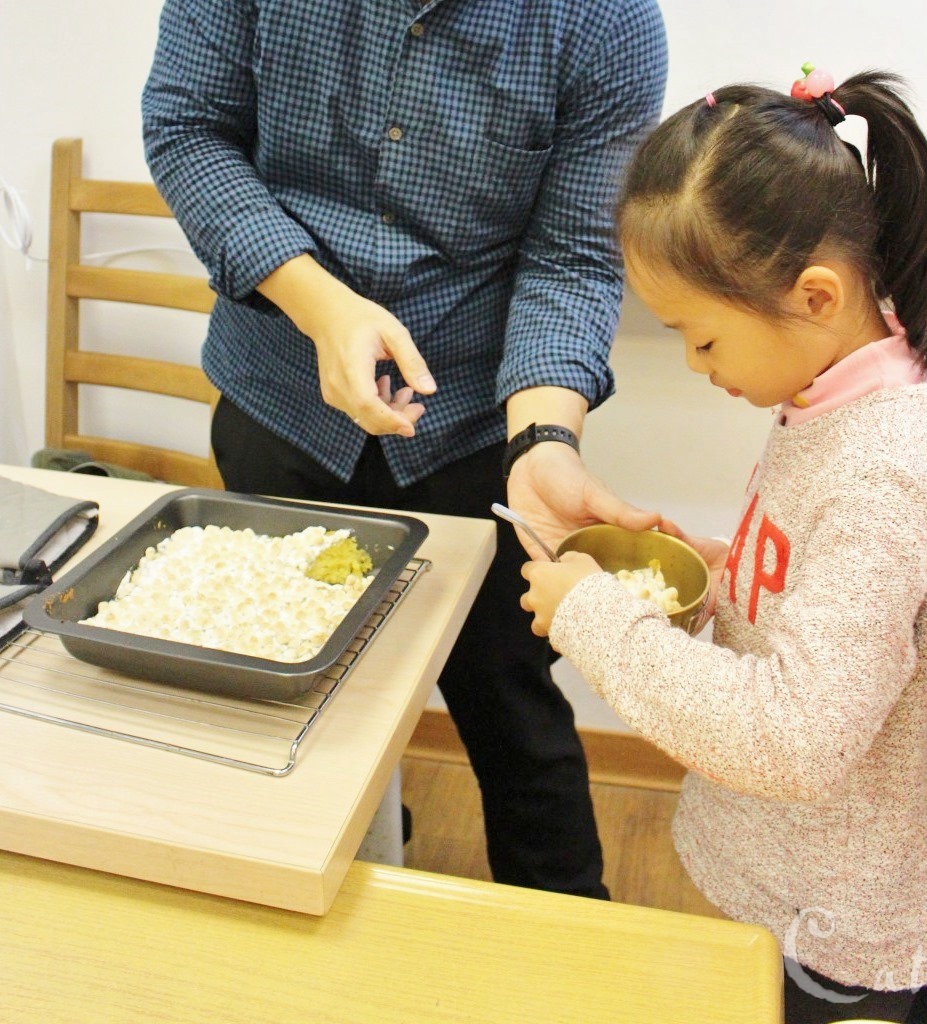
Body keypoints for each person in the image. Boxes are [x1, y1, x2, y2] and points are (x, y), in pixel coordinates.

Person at [141, 0, 667, 899]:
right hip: (281, 394)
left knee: (513, 712)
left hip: (476, 427)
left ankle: (571, 939)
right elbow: (188, 129)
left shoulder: (604, 21)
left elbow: (573, 257)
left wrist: (545, 442)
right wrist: (323, 308)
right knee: (276, 687)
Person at [521, 65, 927, 1021]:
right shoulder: (837, 393)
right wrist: (727, 576)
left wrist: (596, 618)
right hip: (808, 881)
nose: (695, 365)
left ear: (814, 296)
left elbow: (798, 740)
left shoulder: (886, 464)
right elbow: (849, 601)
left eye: (702, 338)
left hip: (854, 929)